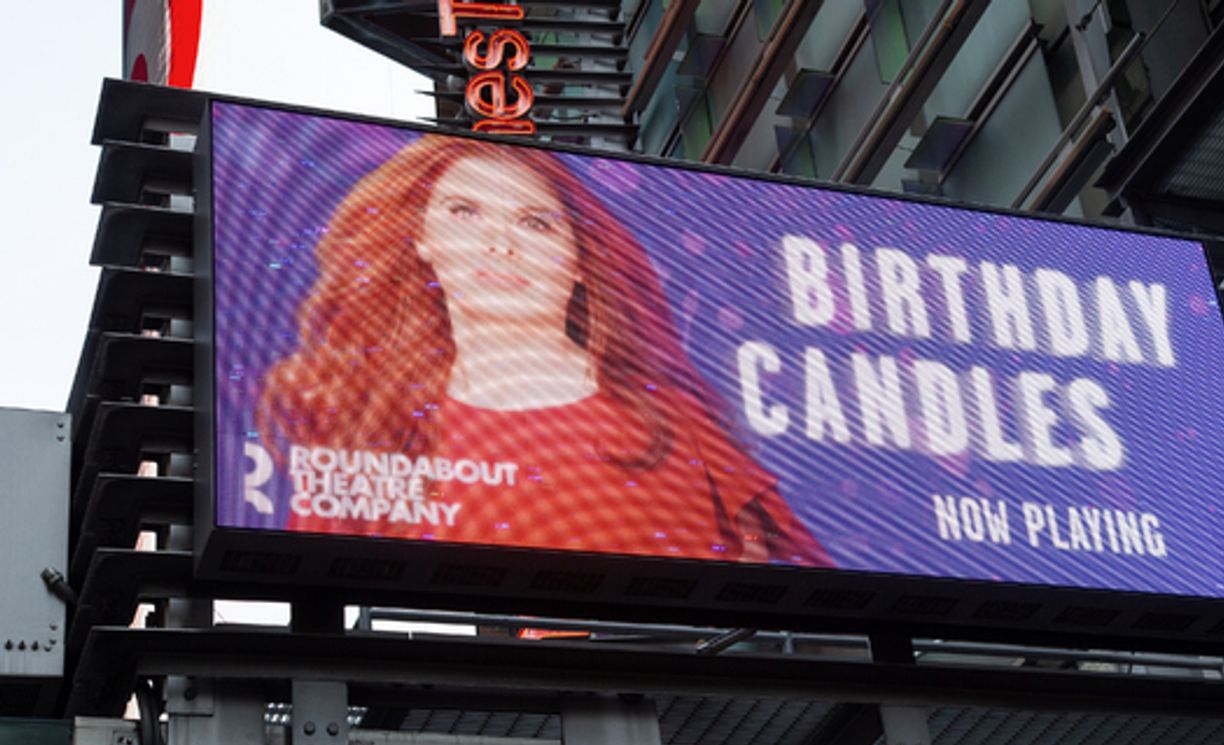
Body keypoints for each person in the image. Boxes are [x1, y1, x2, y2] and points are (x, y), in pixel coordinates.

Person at [256, 134, 827, 566]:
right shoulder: (369, 430)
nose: (500, 244)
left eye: (535, 223)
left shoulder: (676, 421)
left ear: (581, 260)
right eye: (464, 212)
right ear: (421, 239)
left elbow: (795, 584)